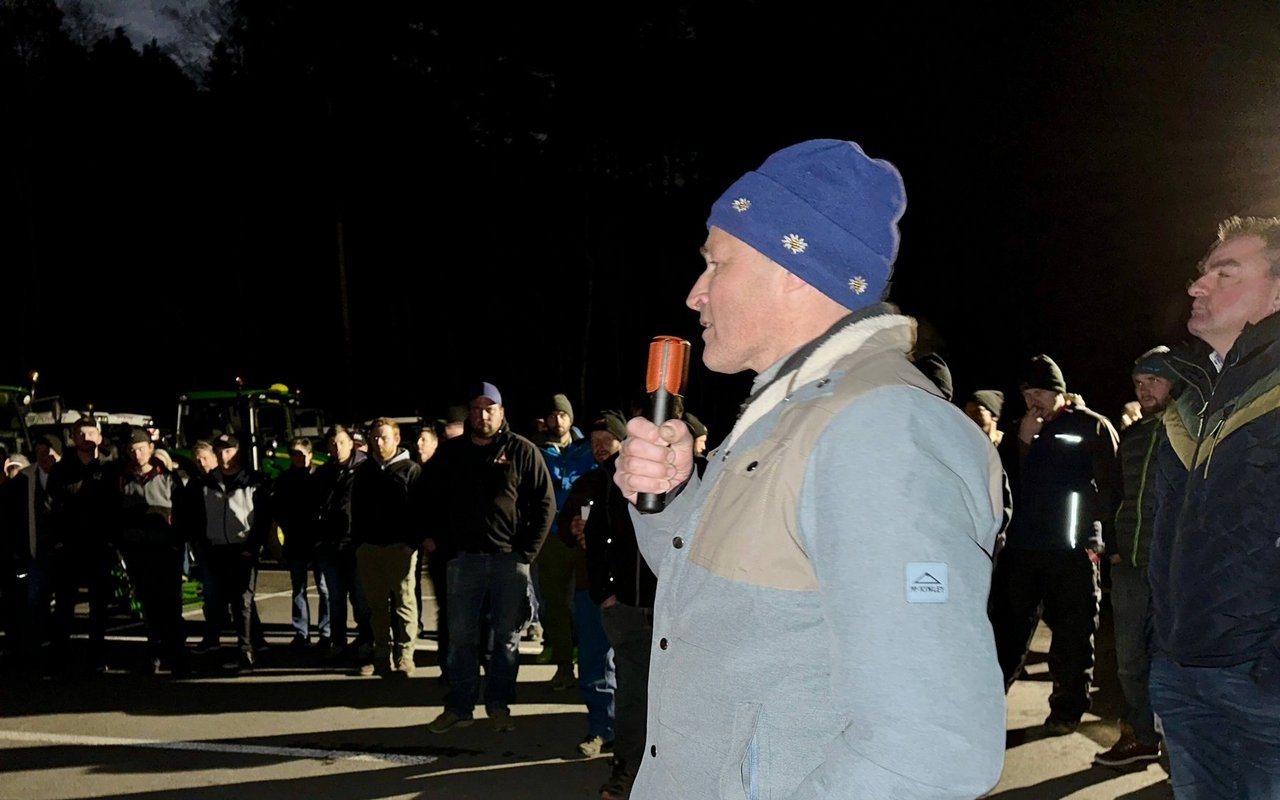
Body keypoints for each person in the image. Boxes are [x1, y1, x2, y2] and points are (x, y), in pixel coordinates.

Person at [612, 139, 1006, 798]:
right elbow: (724, 607)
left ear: (791, 270)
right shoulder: (785, 417)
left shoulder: (879, 431)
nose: (695, 294)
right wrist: (674, 498)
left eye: (717, 265)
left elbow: (933, 746)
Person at [1149, 215, 1280, 797]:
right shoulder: (1191, 401)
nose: (1197, 287)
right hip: (1184, 670)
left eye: (1225, 274)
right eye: (1203, 274)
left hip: (1262, 684)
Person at [990, 354, 1119, 735]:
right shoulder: (1018, 432)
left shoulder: (1090, 425)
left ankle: (1066, 711)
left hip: (1072, 550)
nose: (1034, 399)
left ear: (1060, 392)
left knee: (1074, 635)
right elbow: (1002, 485)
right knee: (1008, 633)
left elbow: (1112, 487)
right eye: (1028, 392)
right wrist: (1022, 443)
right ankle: (987, 704)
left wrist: (1101, 541)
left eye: (1042, 391)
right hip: (1023, 550)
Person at [426, 382, 555, 734]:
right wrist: (435, 539)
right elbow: (427, 496)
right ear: (470, 412)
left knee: (506, 639)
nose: (483, 415)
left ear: (501, 412)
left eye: (490, 408)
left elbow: (546, 503)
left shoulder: (523, 451)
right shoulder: (451, 453)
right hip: (463, 562)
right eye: (477, 408)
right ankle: (459, 707)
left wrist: (525, 553)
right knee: (461, 639)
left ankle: (499, 705)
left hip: (507, 563)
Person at [1094, 346, 1174, 768]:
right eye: (1139, 383)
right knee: (1128, 661)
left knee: (1172, 661)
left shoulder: (1188, 431)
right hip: (1129, 566)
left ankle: (1179, 752)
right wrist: (1113, 546)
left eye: (1153, 381)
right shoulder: (1134, 434)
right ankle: (1140, 736)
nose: (1144, 390)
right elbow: (1113, 494)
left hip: (1170, 569)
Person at [557, 410, 622, 760]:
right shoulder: (587, 483)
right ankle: (601, 728)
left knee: (628, 662)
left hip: (628, 591)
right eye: (594, 443)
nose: (599, 448)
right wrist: (573, 530)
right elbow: (565, 525)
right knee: (595, 661)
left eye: (606, 441)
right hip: (589, 586)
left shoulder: (638, 482)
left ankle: (632, 733)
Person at [179, 433, 272, 672]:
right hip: (216, 548)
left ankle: (246, 650)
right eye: (219, 452)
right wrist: (203, 544)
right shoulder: (206, 482)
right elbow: (197, 517)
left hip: (243, 548)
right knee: (220, 600)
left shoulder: (253, 481)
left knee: (243, 601)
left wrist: (253, 548)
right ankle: (222, 645)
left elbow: (262, 520)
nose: (223, 456)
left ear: (237, 452)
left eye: (228, 451)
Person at [533, 393, 596, 690]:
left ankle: (592, 666)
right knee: (555, 604)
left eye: (563, 415)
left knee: (586, 604)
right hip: (552, 539)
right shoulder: (537, 451)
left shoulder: (589, 449)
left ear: (571, 419)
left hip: (585, 536)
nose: (558, 420)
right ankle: (563, 665)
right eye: (553, 415)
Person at [351, 418, 423, 677]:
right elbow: (356, 509)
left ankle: (405, 655)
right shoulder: (364, 471)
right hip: (370, 548)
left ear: (396, 438)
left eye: (382, 437)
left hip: (399, 549)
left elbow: (420, 511)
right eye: (374, 437)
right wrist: (359, 543)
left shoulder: (411, 471)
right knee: (376, 606)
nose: (377, 442)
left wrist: (412, 543)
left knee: (404, 602)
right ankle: (381, 653)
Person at [46, 416, 119, 672]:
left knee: (99, 608)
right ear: (73, 438)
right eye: (81, 433)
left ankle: (97, 658)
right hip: (69, 548)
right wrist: (56, 542)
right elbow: (50, 507)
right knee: (64, 606)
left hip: (100, 547)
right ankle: (59, 658)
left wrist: (114, 542)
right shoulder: (61, 470)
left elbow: (117, 508)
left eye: (91, 433)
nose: (86, 437)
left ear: (99, 437)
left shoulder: (111, 468)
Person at [117, 427, 187, 676]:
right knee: (149, 607)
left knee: (171, 606)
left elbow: (182, 517)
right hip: (138, 553)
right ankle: (154, 654)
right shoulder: (122, 480)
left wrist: (177, 544)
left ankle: (178, 658)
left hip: (166, 552)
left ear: (151, 449)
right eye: (132, 450)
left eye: (141, 448)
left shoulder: (169, 479)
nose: (136, 454)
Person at [314, 425, 373, 663]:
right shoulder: (323, 473)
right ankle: (338, 642)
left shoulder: (365, 470)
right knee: (335, 599)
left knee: (360, 599)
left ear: (352, 443)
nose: (337, 447)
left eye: (342, 442)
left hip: (356, 545)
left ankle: (366, 641)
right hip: (329, 546)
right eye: (333, 443)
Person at [274, 437, 330, 648]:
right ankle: (301, 632)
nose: (297, 458)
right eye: (294, 454)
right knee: (298, 588)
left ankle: (326, 632)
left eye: (301, 454)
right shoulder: (285, 479)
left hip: (318, 540)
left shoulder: (320, 477)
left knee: (324, 588)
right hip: (295, 539)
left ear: (310, 455)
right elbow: (278, 508)